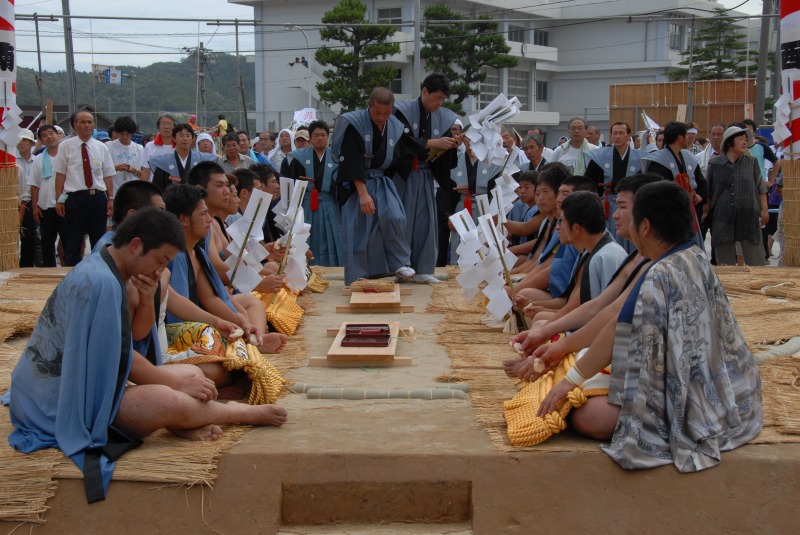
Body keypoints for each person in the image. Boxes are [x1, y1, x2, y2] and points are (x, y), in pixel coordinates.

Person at [5, 208, 287, 503]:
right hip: (57, 401)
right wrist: (173, 384)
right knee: (170, 397)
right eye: (161, 261)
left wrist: (149, 298)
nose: (160, 270)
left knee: (192, 375)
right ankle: (237, 413)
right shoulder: (100, 282)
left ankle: (183, 422)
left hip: (90, 383)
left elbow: (135, 338)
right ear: (136, 245)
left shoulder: (117, 269)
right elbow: (117, 359)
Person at [536, 181, 762, 472]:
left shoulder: (661, 273)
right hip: (729, 390)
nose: (618, 218)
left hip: (697, 397)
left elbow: (617, 325)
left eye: (624, 210)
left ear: (644, 226)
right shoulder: (693, 256)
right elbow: (610, 311)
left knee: (588, 416)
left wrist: (570, 379)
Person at [506, 173, 661, 381]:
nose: (615, 214)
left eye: (622, 206)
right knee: (543, 324)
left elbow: (604, 315)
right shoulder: (625, 254)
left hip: (621, 348)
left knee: (582, 408)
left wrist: (557, 345)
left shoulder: (611, 256)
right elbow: (597, 306)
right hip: (600, 331)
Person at [330, 87, 415, 285]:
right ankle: (359, 277)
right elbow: (351, 160)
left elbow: (402, 153)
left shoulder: (394, 125)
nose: (381, 117)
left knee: (395, 218)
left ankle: (398, 264)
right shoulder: (355, 124)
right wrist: (363, 194)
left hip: (382, 181)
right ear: (369, 106)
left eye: (386, 113)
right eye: (377, 112)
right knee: (360, 230)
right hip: (357, 183)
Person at [393, 73, 460, 283]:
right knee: (402, 221)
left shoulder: (443, 117)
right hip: (403, 177)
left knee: (425, 222)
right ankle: (400, 265)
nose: (439, 103)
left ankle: (423, 268)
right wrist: (433, 143)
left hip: (425, 175)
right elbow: (400, 141)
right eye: (437, 98)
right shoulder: (402, 111)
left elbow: (442, 154)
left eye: (442, 99)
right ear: (424, 91)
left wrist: (450, 145)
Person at [53, 109, 116, 266]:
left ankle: (99, 270)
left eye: (90, 122)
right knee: (74, 238)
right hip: (75, 198)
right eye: (83, 122)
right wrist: (59, 200)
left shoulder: (102, 147)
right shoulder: (65, 146)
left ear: (94, 125)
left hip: (98, 197)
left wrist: (110, 199)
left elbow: (108, 175)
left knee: (99, 239)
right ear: (75, 125)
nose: (87, 125)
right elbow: (60, 175)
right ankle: (71, 272)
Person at [280, 119, 343, 266]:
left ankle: (332, 266)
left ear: (328, 137)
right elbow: (289, 183)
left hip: (330, 206)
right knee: (306, 237)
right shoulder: (297, 158)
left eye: (323, 135)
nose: (320, 138)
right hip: (305, 205)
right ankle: (304, 268)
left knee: (332, 237)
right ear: (310, 138)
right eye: (316, 135)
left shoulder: (337, 158)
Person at [706, 125, 767, 266]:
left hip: (748, 215)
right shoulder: (714, 164)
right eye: (740, 139)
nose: (744, 142)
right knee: (725, 264)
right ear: (729, 142)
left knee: (756, 261)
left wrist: (764, 210)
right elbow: (708, 191)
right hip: (722, 216)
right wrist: (706, 213)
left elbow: (761, 188)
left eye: (746, 139)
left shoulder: (751, 162)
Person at [584, 122, 643, 246]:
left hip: (632, 205)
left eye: (621, 133)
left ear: (629, 135)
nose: (617, 136)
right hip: (607, 204)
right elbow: (589, 182)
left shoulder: (640, 158)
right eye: (614, 133)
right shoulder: (600, 156)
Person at [28, 125, 65, 267]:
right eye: (44, 135)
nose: (49, 137)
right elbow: (34, 184)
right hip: (44, 207)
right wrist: (35, 206)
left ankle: (67, 271)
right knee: (46, 244)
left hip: (63, 206)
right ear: (41, 141)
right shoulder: (38, 159)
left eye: (51, 133)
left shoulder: (66, 156)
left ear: (58, 135)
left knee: (67, 242)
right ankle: (50, 272)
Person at [150, 123, 218, 192]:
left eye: (188, 136)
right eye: (181, 135)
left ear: (192, 139)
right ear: (174, 138)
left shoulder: (202, 160)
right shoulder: (164, 162)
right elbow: (157, 189)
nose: (185, 139)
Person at [107, 116, 146, 195]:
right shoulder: (108, 146)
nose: (124, 137)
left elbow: (145, 175)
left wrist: (134, 170)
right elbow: (103, 172)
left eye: (127, 134)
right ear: (117, 132)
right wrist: (116, 168)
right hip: (116, 193)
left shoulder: (139, 148)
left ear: (131, 133)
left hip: (135, 193)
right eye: (122, 134)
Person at [16, 129, 38, 267]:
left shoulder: (38, 161)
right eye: (19, 140)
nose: (21, 143)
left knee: (29, 237)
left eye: (24, 140)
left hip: (32, 203)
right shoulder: (10, 161)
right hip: (15, 202)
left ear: (31, 143)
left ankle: (27, 266)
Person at [142, 114, 177, 180]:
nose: (166, 127)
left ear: (174, 127)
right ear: (158, 127)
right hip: (156, 185)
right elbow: (145, 170)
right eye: (163, 124)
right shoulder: (150, 146)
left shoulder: (179, 146)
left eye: (169, 124)